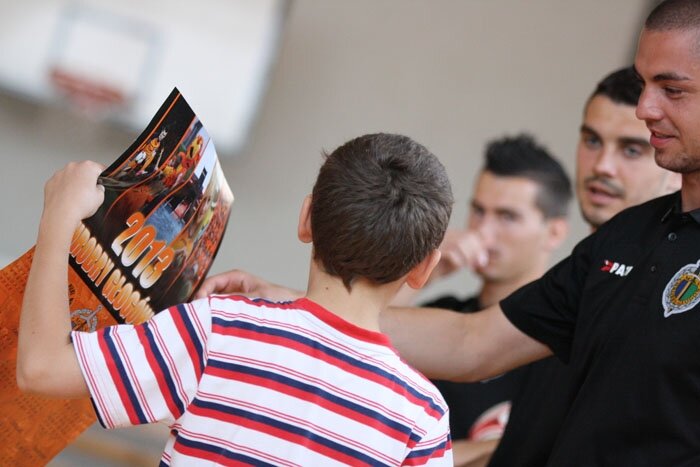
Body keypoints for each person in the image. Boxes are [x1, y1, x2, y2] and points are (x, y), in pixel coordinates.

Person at [199, 0, 700, 460]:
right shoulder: (626, 236)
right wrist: (290, 302)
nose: (645, 108)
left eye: (672, 90)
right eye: (644, 84)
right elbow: (470, 342)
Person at [16, 133, 455, 465]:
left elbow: (41, 368)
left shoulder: (217, 332)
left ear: (306, 219)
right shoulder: (422, 420)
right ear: (424, 268)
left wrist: (59, 214)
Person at [487, 65, 682, 466]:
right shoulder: (571, 281)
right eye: (592, 140)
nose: (602, 165)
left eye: (631, 149)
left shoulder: (665, 311)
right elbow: (467, 344)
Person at [401, 134, 572, 467]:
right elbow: (357, 335)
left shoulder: (566, 345)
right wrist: (427, 270)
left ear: (554, 233)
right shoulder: (441, 315)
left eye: (507, 217)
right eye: (478, 211)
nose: (484, 231)